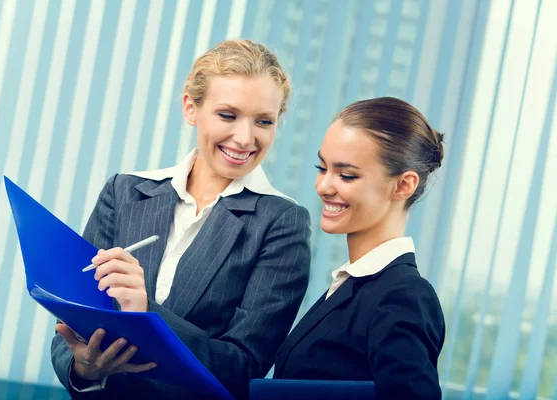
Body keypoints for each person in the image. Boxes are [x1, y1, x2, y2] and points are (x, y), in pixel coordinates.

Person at [51, 39, 311, 400]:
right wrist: (83, 369)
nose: (245, 138)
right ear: (191, 108)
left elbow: (244, 367)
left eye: (263, 121)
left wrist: (145, 315)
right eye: (228, 115)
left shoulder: (281, 223)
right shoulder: (125, 192)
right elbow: (71, 320)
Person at [273, 97, 446, 399]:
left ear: (403, 185)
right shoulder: (352, 285)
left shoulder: (402, 296)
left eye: (346, 175)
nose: (324, 186)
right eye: (322, 168)